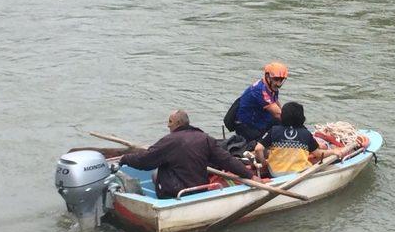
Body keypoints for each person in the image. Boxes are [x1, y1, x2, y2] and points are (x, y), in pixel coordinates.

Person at [119, 110, 255, 199]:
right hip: (200, 190)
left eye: (170, 122)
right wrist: (250, 175)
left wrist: (125, 159)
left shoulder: (168, 141)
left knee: (155, 173)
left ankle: (165, 199)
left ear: (178, 123)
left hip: (175, 191)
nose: (168, 125)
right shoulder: (205, 138)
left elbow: (145, 161)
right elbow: (227, 160)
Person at [254, 102, 344, 177]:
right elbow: (318, 153)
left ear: (283, 116)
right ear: (301, 117)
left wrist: (264, 163)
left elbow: (258, 149)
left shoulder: (274, 130)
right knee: (318, 160)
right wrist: (333, 151)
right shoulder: (306, 133)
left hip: (274, 173)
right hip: (299, 173)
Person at [232, 62, 289, 142]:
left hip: (261, 120)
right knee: (263, 147)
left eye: (281, 80)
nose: (279, 83)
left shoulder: (272, 87)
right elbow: (278, 114)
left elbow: (277, 105)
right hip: (248, 126)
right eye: (276, 79)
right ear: (267, 76)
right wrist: (295, 126)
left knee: (282, 124)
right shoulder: (260, 90)